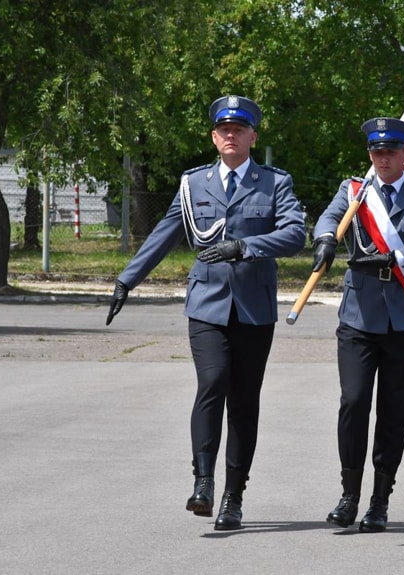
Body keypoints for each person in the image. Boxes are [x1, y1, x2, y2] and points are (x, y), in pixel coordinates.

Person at [105, 95, 306, 531]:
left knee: (244, 400)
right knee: (213, 382)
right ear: (215, 138)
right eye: (224, 130)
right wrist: (128, 279)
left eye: (240, 129)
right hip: (208, 304)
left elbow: (295, 234)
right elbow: (166, 231)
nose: (231, 135)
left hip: (253, 307)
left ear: (253, 136)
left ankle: (234, 497)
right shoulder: (193, 184)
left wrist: (248, 246)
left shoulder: (275, 183)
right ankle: (203, 482)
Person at [312, 117, 404, 533]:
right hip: (358, 318)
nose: (384, 157)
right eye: (377, 151)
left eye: (391, 150)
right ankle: (349, 494)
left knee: (394, 413)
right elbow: (327, 220)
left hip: (403, 321)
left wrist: (401, 257)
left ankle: (379, 500)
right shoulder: (354, 191)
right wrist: (324, 240)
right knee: (354, 402)